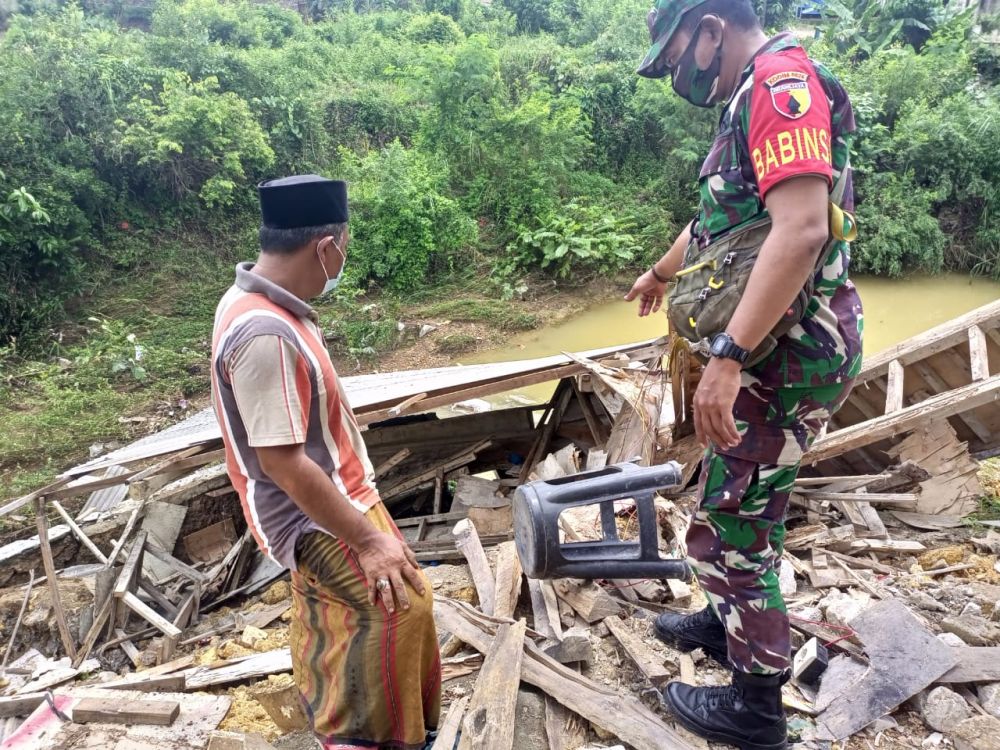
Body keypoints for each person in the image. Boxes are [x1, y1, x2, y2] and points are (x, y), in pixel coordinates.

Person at [625, 2, 864, 749]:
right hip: (775, 348)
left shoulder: (778, 83)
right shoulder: (752, 92)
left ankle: (756, 706)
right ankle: (728, 624)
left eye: (674, 59)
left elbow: (801, 229)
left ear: (710, 29)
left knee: (735, 525)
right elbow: (720, 221)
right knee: (734, 496)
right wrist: (661, 274)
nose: (676, 75)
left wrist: (726, 356)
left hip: (783, 354)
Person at [210, 175, 441, 750]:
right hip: (306, 510)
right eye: (345, 245)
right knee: (400, 608)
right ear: (326, 246)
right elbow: (285, 465)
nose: (344, 258)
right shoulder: (266, 333)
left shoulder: (256, 298)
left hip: (342, 487)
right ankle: (363, 738)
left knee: (366, 601)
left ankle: (355, 711)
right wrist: (366, 541)